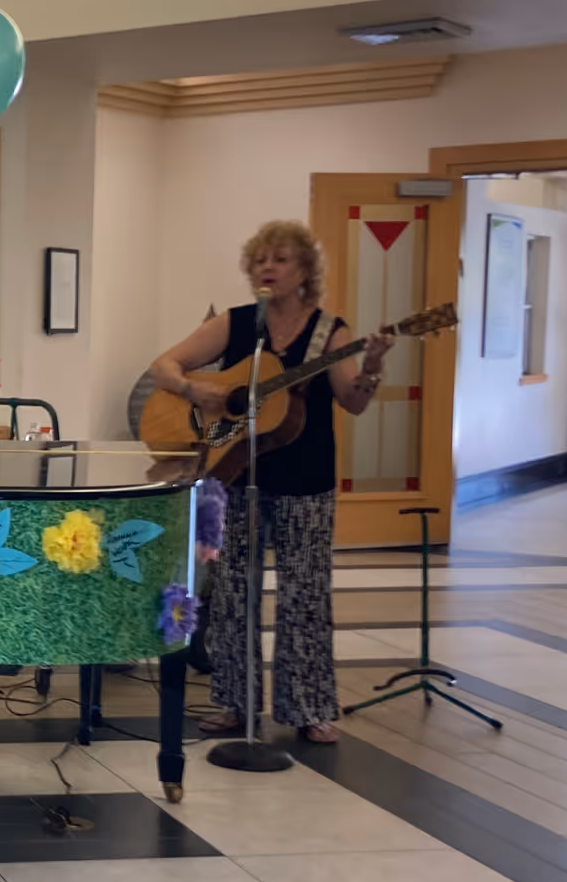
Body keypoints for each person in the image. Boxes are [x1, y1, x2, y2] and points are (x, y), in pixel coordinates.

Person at [150, 219, 394, 744]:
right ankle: (236, 703)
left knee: (305, 593)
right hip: (236, 475)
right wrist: (198, 391)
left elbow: (353, 401)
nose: (268, 268)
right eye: (261, 259)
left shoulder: (332, 333)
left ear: (304, 270)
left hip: (306, 478)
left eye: (280, 259)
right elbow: (164, 366)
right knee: (235, 589)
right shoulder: (237, 325)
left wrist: (370, 367)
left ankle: (307, 706)